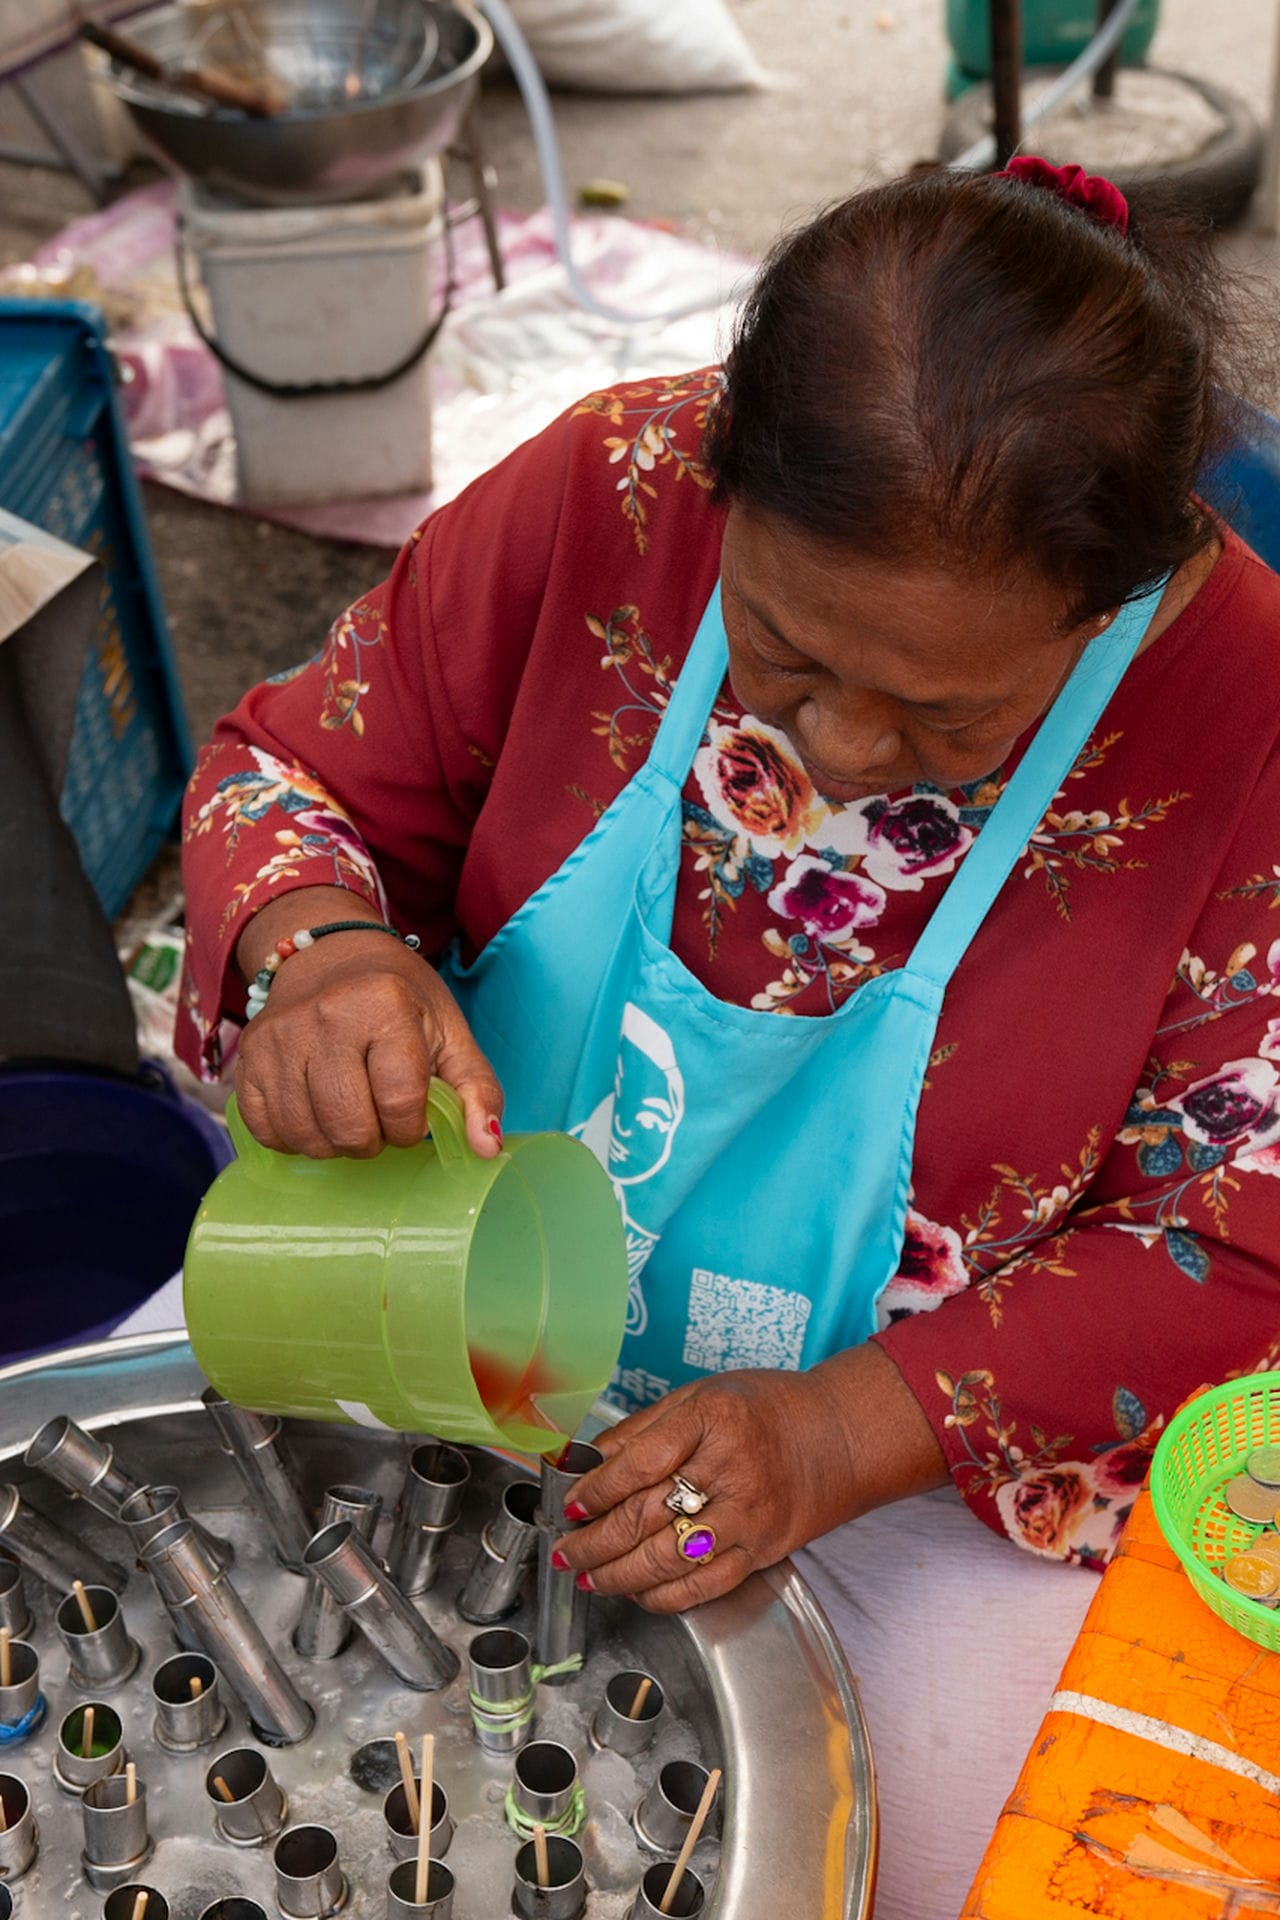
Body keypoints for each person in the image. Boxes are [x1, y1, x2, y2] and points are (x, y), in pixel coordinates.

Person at [179, 160, 1280, 1917]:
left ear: (1111, 600)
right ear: (720, 474)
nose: (839, 749)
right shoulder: (607, 494)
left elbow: (1237, 1228)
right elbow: (291, 773)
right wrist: (319, 955)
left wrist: (838, 1438)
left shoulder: (1246, 714)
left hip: (911, 1475)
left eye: (946, 716)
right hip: (435, 1295)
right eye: (780, 650)